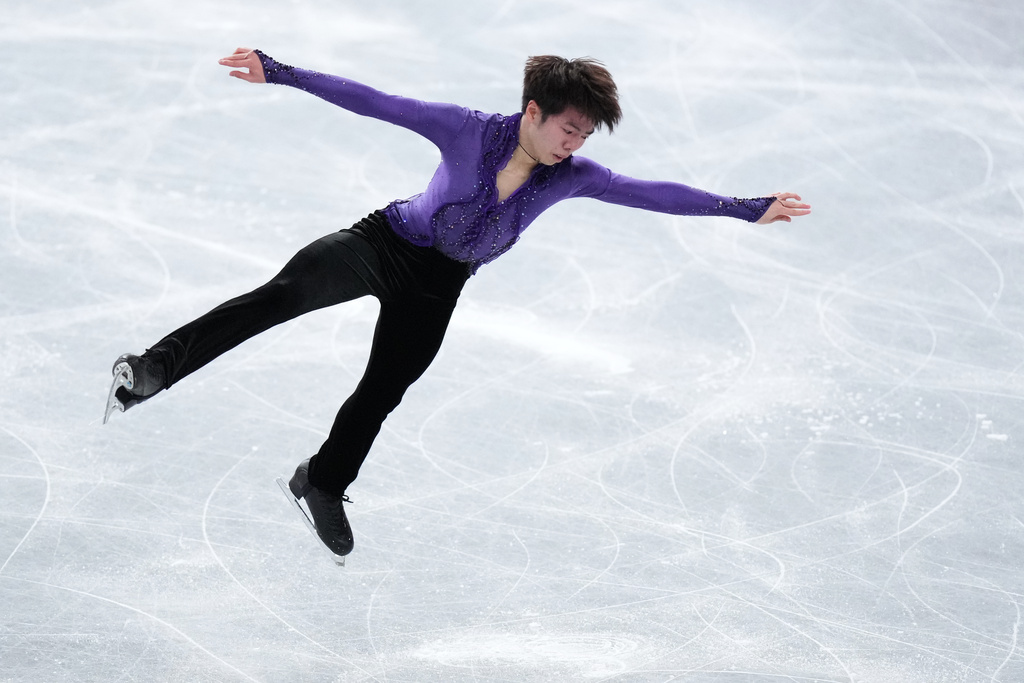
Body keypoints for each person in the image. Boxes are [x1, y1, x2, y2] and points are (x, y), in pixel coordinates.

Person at [104, 47, 811, 561]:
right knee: (277, 298)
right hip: (382, 243)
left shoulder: (573, 177)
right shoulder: (467, 129)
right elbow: (374, 100)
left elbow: (653, 193)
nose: (574, 144)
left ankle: (321, 481)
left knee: (383, 391)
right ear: (533, 111)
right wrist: (280, 70)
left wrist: (747, 207)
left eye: (583, 135)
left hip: (439, 285)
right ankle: (156, 368)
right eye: (568, 128)